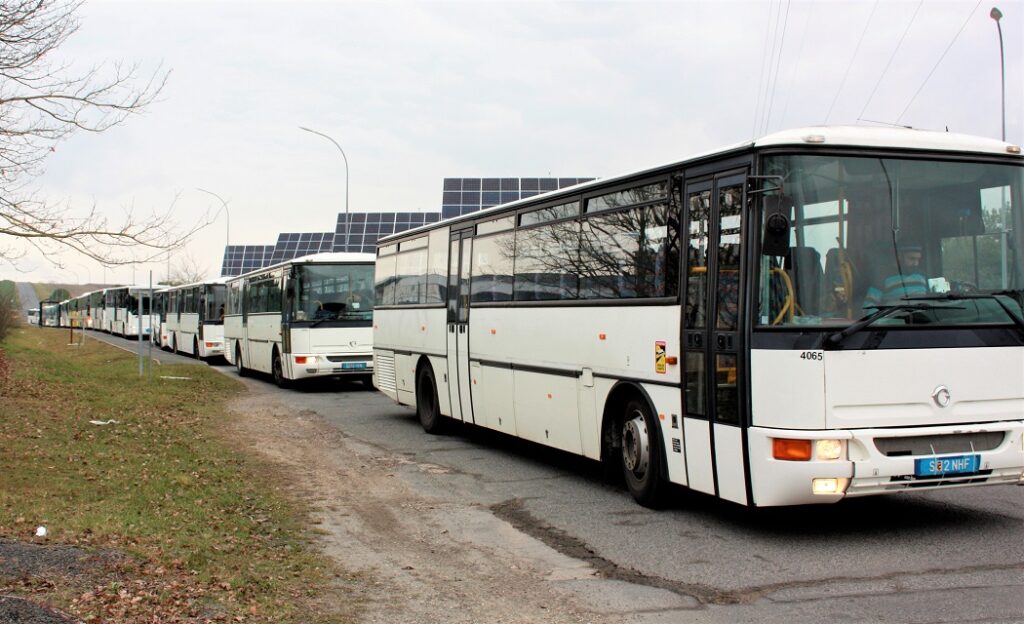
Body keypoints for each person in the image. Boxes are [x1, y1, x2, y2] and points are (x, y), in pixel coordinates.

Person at [862, 243, 929, 308]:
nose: (916, 263)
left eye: (918, 259)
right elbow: (869, 305)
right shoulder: (882, 276)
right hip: (895, 318)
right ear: (899, 256)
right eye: (912, 259)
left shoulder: (922, 276)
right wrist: (883, 319)